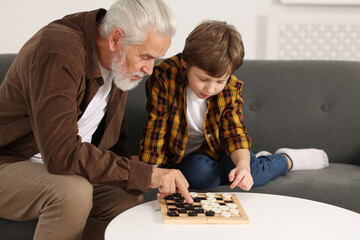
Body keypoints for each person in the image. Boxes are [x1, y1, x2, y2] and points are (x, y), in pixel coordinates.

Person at [0, 0, 193, 239]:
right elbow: (61, 154)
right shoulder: (59, 50)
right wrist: (145, 174)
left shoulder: (119, 62)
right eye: (146, 56)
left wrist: (141, 177)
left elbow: (113, 142)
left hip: (60, 167)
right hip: (9, 161)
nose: (150, 69)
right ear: (115, 39)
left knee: (128, 200)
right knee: (73, 192)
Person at [139, 20, 329, 191]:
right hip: (188, 158)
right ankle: (252, 161)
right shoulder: (164, 76)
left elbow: (235, 133)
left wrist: (243, 166)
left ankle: (287, 160)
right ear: (185, 62)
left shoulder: (230, 88)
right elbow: (156, 127)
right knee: (196, 174)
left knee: (250, 173)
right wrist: (152, 174)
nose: (211, 88)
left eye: (220, 81)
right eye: (203, 79)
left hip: (221, 150)